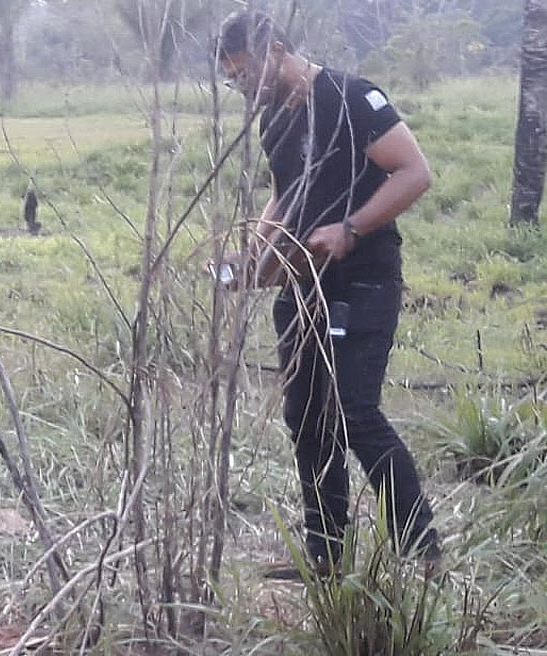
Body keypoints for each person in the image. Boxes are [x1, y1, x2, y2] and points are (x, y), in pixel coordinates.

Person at [215, 10, 441, 576]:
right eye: (232, 78)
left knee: (354, 414)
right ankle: (326, 557)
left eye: (244, 73)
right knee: (307, 416)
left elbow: (414, 172)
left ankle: (423, 552)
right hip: (302, 282)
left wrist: (351, 229)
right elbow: (283, 193)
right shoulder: (273, 119)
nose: (242, 86)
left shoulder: (351, 96)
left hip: (362, 280)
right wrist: (255, 256)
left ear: (275, 50)